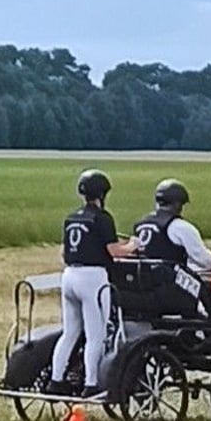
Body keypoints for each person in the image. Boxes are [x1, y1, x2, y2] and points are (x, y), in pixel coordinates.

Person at [46, 169, 139, 398]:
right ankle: (91, 383)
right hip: (92, 279)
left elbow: (63, 251)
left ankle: (56, 380)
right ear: (102, 194)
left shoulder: (71, 218)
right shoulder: (102, 218)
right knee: (95, 335)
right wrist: (133, 245)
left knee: (70, 333)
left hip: (69, 275)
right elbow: (115, 251)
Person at [133, 178, 211, 326]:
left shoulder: (140, 225)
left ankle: (196, 323)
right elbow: (200, 256)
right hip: (169, 286)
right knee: (207, 287)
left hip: (145, 286)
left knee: (193, 284)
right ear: (178, 204)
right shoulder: (180, 227)